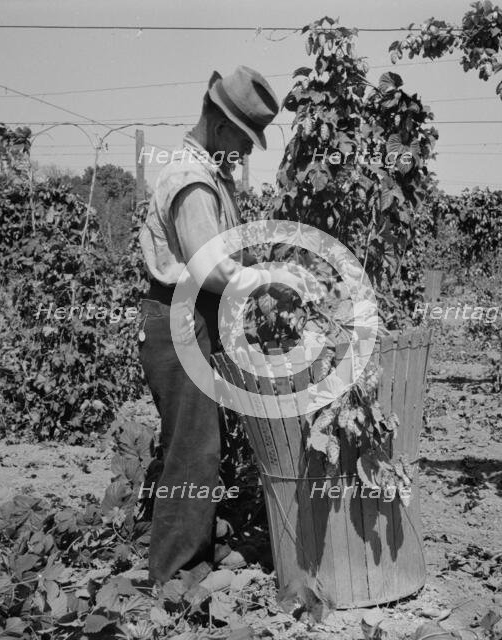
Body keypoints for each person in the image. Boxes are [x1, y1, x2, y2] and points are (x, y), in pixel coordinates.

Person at [137, 66, 303, 586]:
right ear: (221, 124)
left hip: (196, 318)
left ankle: (199, 548)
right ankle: (175, 576)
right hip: (180, 321)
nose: (248, 153)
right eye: (246, 141)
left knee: (205, 441)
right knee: (192, 447)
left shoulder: (209, 173)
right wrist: (269, 279)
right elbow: (210, 267)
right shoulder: (190, 178)